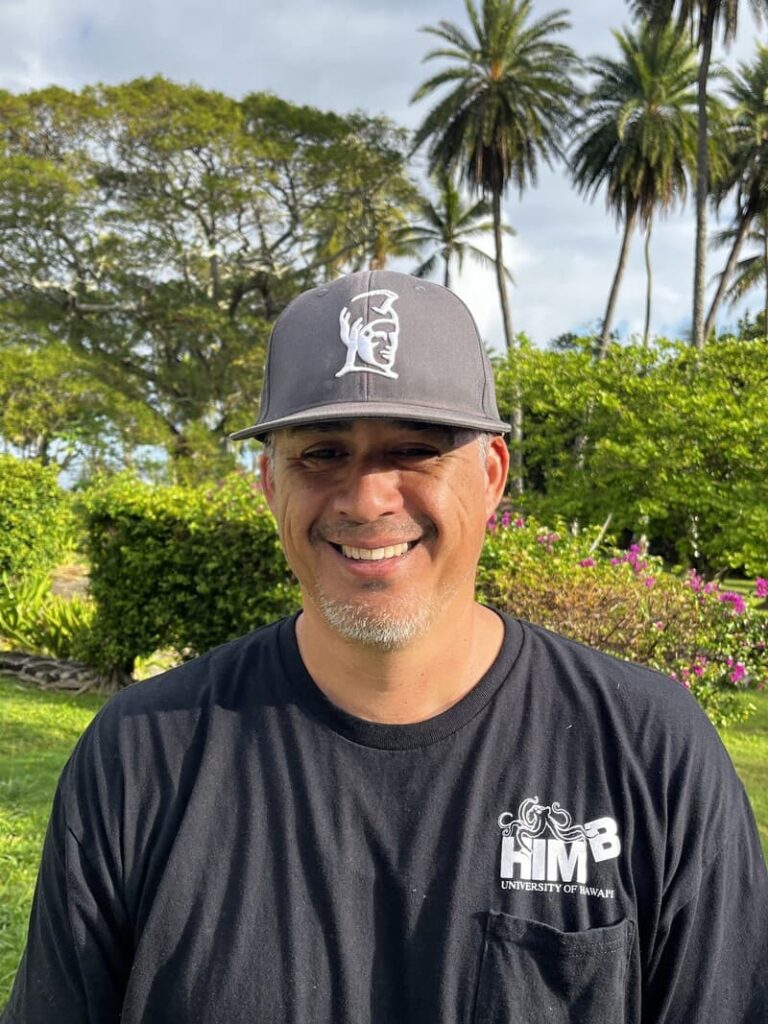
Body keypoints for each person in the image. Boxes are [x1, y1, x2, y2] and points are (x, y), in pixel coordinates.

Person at [2, 271, 766, 1024]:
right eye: (322, 453)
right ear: (270, 484)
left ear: (492, 475)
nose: (368, 499)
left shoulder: (648, 751)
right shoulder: (141, 760)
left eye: (414, 449)